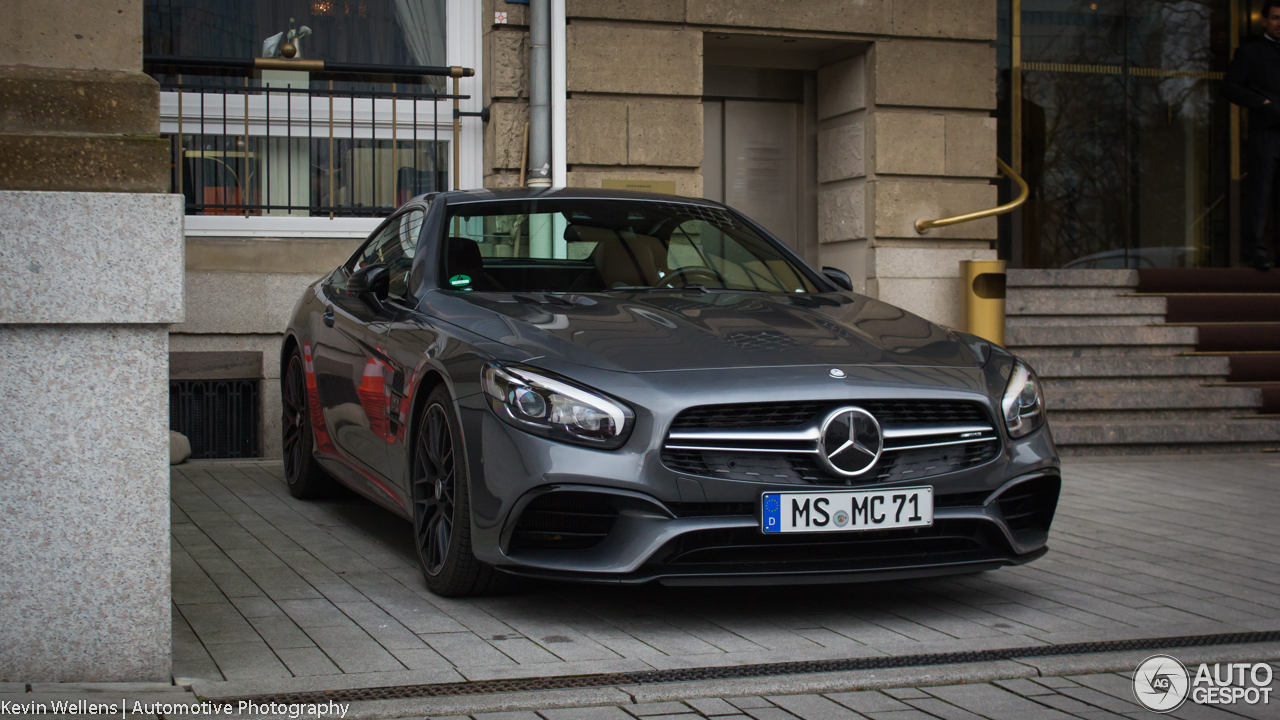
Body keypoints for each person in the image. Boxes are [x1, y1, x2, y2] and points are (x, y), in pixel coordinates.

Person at [1224, 0, 1280, 271]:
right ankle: (1255, 251)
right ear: (1265, 21)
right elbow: (1230, 87)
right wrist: (1261, 104)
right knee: (1259, 192)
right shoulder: (1250, 52)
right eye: (1276, 18)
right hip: (1265, 132)